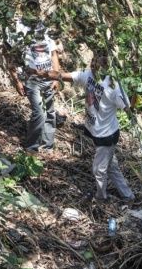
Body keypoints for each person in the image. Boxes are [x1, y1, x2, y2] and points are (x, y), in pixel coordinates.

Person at [28, 53, 135, 208]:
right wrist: (36, 72)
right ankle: (128, 195)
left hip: (107, 134)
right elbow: (58, 75)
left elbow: (128, 109)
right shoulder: (88, 75)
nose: (93, 66)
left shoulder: (113, 86)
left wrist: (136, 96)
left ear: (105, 67)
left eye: (97, 64)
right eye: (92, 62)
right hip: (97, 131)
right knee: (111, 166)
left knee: (99, 170)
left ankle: (101, 199)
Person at [4, 0, 61, 155]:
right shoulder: (15, 28)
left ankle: (47, 147)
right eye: (28, 7)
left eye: (34, 7)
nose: (32, 10)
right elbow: (8, 55)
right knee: (39, 113)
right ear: (22, 9)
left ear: (39, 9)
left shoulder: (45, 27)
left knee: (50, 113)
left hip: (48, 76)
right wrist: (16, 80)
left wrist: (56, 77)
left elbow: (53, 54)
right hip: (31, 80)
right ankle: (31, 147)